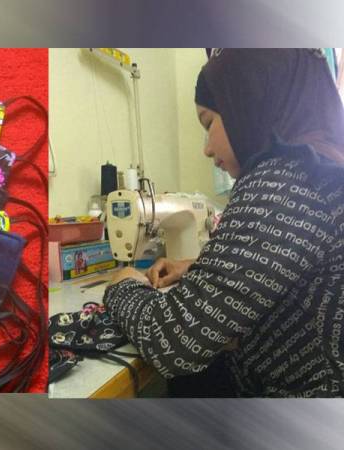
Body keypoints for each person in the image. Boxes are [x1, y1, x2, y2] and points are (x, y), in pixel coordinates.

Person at [103, 49, 344, 397]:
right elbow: (295, 269)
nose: (206, 148)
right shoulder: (320, 169)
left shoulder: (285, 179)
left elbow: (173, 340)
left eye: (208, 124)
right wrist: (194, 267)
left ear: (248, 105)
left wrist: (123, 283)